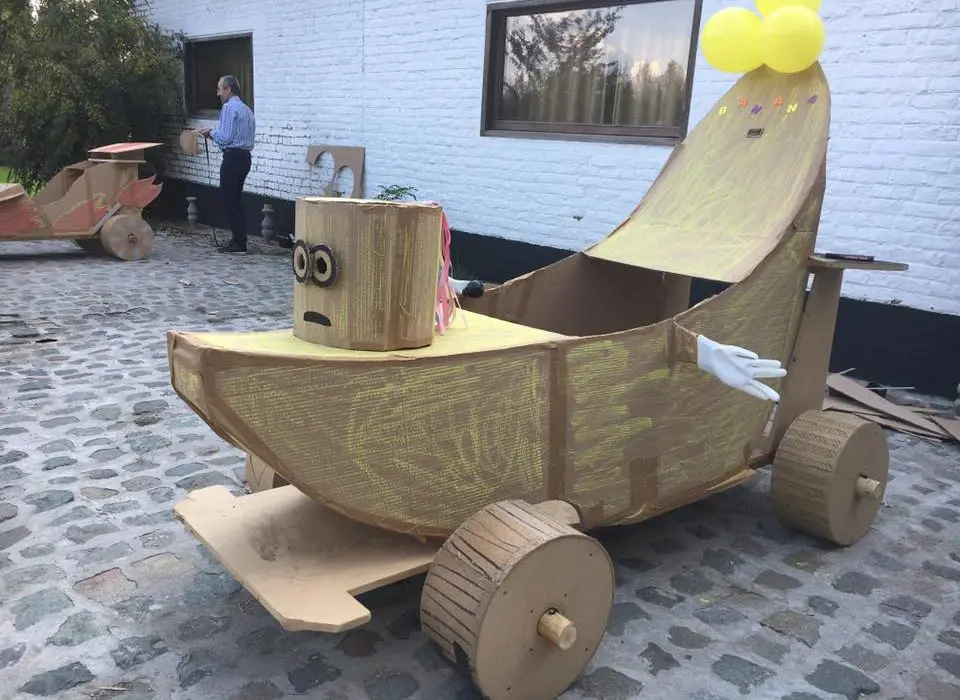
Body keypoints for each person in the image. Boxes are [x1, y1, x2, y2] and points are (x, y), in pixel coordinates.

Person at [199, 75, 256, 253]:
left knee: (228, 199)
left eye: (220, 89)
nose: (218, 94)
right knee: (235, 199)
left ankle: (239, 242)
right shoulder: (247, 109)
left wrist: (210, 133)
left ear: (228, 89)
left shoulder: (229, 107)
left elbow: (225, 138)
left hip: (233, 157)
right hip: (245, 157)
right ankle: (239, 239)